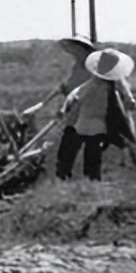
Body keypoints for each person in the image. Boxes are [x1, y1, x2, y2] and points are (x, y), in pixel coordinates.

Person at [61, 47, 136, 181]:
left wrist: (130, 101)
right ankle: (77, 175)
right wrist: (66, 106)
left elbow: (127, 96)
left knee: (92, 151)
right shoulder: (94, 83)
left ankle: (91, 177)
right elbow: (76, 94)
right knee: (86, 149)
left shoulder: (114, 84)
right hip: (86, 121)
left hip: (99, 122)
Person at [55, 35, 96, 181]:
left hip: (89, 112)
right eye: (73, 50)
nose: (75, 52)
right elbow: (68, 86)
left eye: (77, 49)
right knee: (67, 147)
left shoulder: (93, 67)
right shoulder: (75, 67)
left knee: (91, 147)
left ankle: (91, 180)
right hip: (73, 113)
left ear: (85, 50)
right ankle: (63, 176)